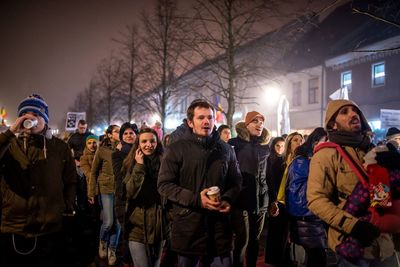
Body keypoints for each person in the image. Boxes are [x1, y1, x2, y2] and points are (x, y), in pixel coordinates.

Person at [307, 99, 397, 266]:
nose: (353, 114)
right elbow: (315, 200)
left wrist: (396, 167)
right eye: (344, 112)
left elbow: (385, 195)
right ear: (333, 124)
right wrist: (353, 226)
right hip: (352, 246)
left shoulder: (374, 150)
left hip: (384, 244)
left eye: (355, 111)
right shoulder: (325, 155)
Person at [157, 99, 242, 267]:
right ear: (190, 122)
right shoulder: (176, 149)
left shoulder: (225, 149)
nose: (206, 121)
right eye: (201, 117)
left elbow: (236, 180)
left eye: (210, 118)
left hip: (219, 228)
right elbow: (164, 185)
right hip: (189, 227)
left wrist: (227, 199)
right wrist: (197, 200)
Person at [0, 94, 76, 267]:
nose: (30, 118)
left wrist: (66, 205)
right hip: (14, 225)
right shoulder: (9, 145)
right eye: (25, 114)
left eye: (35, 114)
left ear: (45, 120)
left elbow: (71, 180)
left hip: (48, 227)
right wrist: (10, 132)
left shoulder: (60, 147)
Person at [228, 111, 271, 267]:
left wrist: (271, 200)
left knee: (255, 240)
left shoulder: (265, 147)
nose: (260, 124)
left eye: (262, 121)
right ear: (246, 125)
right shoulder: (234, 145)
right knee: (242, 241)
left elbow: (268, 175)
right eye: (255, 121)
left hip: (261, 201)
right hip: (242, 201)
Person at [123, 128, 166, 267]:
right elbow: (129, 192)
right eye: (144, 141)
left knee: (155, 264)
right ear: (138, 144)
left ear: (157, 143)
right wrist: (139, 166)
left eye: (152, 141)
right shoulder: (130, 163)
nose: (148, 145)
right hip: (137, 225)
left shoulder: (166, 163)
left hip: (160, 225)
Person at [285, 127, 328, 267]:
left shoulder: (309, 160)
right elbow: (298, 195)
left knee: (316, 258)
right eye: (325, 141)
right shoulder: (303, 162)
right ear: (315, 142)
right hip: (307, 218)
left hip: (311, 217)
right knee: (318, 258)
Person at [88, 124, 121, 266]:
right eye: (116, 131)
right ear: (109, 134)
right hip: (106, 188)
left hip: (120, 190)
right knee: (108, 222)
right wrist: (92, 192)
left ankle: (112, 249)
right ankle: (103, 242)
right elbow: (94, 172)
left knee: (118, 223)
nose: (120, 134)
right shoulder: (102, 150)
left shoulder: (124, 149)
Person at [112, 122, 138, 267]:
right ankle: (126, 260)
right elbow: (119, 175)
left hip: (140, 198)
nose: (129, 136)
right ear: (121, 136)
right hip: (124, 197)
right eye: (126, 133)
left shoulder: (142, 151)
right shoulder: (117, 154)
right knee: (127, 231)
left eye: (132, 133)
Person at [265, 137, 290, 267]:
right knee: (275, 231)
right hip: (275, 200)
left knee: (282, 232)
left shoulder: (285, 161)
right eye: (277, 146)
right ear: (273, 146)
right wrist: (273, 199)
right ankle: (273, 259)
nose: (280, 149)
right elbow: (270, 182)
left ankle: (280, 258)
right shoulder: (271, 160)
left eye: (282, 146)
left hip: (283, 200)